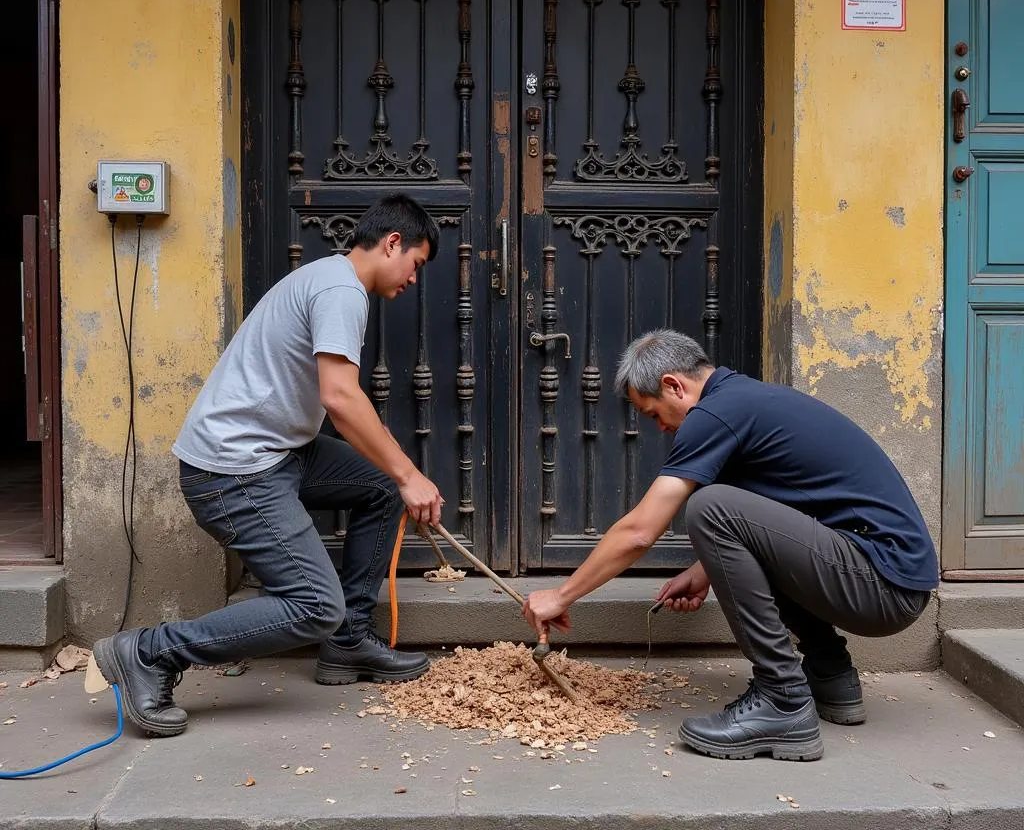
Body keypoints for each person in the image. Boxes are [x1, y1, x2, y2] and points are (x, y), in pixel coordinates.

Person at [93, 194, 445, 737]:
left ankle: (347, 642)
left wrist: (397, 475)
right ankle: (150, 652)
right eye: (416, 265)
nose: (413, 280)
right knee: (313, 604)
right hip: (233, 473)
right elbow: (341, 398)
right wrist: (411, 472)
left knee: (379, 488)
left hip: (279, 454)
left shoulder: (332, 279)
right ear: (393, 243)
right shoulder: (340, 290)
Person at [522, 329, 937, 762]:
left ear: (673, 385)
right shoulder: (744, 401)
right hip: (892, 582)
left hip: (881, 585)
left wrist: (562, 594)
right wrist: (705, 570)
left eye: (653, 414)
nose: (661, 428)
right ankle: (831, 675)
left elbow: (640, 531)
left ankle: (782, 699)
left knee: (710, 506)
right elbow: (787, 518)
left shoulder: (715, 414)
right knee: (721, 510)